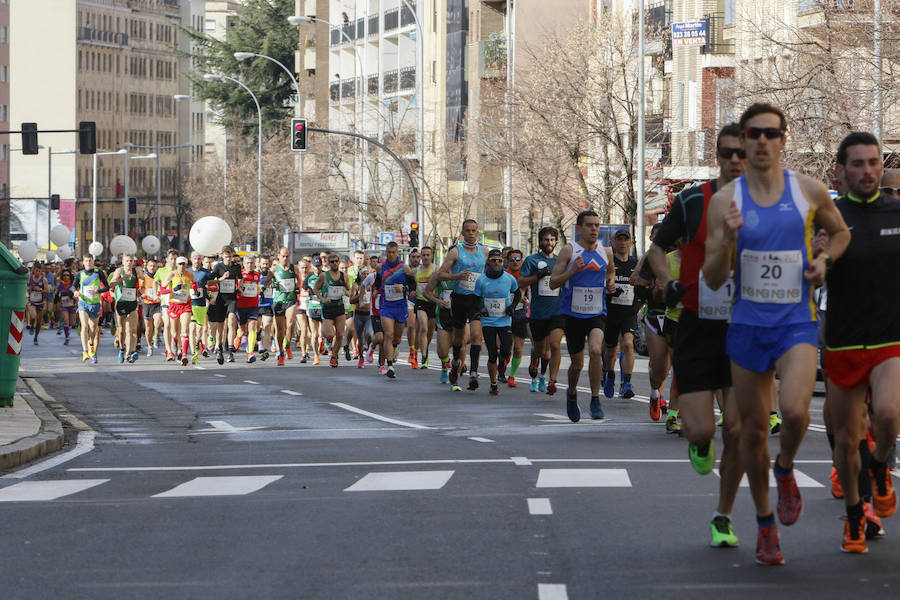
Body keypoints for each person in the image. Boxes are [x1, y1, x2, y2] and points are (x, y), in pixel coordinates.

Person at [703, 103, 851, 565]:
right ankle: (765, 523)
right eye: (754, 133)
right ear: (744, 142)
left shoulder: (808, 191)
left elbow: (841, 233)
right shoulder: (726, 202)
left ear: (783, 140)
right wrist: (727, 241)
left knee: (795, 411)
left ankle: (785, 465)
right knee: (749, 433)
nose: (762, 141)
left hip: (796, 322)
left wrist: (824, 261)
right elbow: (710, 278)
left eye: (771, 133)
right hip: (747, 326)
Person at [646, 122, 746, 547]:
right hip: (696, 321)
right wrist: (667, 278)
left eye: (742, 153)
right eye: (727, 153)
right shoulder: (691, 201)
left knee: (740, 431)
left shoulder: (770, 202)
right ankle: (699, 441)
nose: (735, 161)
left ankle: (723, 516)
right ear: (717, 156)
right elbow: (655, 247)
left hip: (746, 326)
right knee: (702, 430)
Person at [825, 132, 900, 553]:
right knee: (846, 440)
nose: (868, 170)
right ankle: (854, 516)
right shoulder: (829, 218)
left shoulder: (897, 212)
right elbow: (808, 268)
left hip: (891, 338)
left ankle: (879, 468)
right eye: (858, 163)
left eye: (873, 162)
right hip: (843, 342)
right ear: (842, 170)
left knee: (888, 415)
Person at [549, 210, 616, 421]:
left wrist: (610, 284)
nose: (594, 229)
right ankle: (571, 394)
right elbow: (553, 283)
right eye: (589, 225)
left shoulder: (607, 252)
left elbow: (610, 271)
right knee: (577, 363)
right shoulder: (570, 251)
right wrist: (572, 272)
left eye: (597, 225)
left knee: (596, 351)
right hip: (573, 314)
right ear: (579, 228)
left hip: (597, 312)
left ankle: (595, 399)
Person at [437, 219, 490, 391]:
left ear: (478, 232)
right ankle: (455, 363)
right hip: (459, 299)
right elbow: (441, 274)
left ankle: (473, 373)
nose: (471, 233)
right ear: (463, 232)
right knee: (459, 340)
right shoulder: (455, 252)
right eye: (467, 230)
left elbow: (490, 273)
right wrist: (456, 276)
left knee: (476, 337)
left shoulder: (484, 251)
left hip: (476, 300)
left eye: (474, 230)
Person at [519, 228, 564, 394]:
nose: (549, 243)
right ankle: (534, 361)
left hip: (557, 311)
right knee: (540, 350)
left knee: (554, 345)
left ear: (556, 241)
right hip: (538, 312)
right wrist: (537, 277)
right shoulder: (531, 260)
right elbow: (520, 282)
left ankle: (551, 380)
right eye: (546, 240)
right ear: (540, 241)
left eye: (552, 240)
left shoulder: (560, 261)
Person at [475, 249, 521, 395]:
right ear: (488, 261)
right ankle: (493, 383)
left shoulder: (509, 279)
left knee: (507, 350)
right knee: (492, 353)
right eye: (493, 260)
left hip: (504, 320)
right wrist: (481, 308)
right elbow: (475, 299)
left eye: (499, 261)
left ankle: (502, 365)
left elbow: (518, 292)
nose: (496, 263)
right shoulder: (481, 280)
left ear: (503, 262)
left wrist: (512, 307)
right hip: (488, 321)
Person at [602, 229, 639, 399]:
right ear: (613, 243)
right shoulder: (609, 263)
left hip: (628, 312)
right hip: (611, 312)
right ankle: (609, 374)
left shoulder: (635, 263)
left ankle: (627, 383)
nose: (623, 243)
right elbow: (601, 285)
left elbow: (641, 286)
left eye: (626, 240)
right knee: (611, 350)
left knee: (629, 344)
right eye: (619, 240)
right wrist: (608, 290)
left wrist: (638, 304)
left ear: (630, 243)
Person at [375, 242, 416, 378]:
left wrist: (403, 288)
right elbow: (377, 282)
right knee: (388, 334)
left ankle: (395, 347)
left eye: (393, 252)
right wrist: (375, 291)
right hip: (386, 306)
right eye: (388, 252)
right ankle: (390, 365)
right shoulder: (381, 267)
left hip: (400, 306)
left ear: (397, 253)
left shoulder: (404, 268)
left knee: (397, 338)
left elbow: (412, 287)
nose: (391, 255)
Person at [423, 259, 459, 384]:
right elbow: (426, 293)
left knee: (459, 344)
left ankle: (456, 368)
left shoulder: (464, 274)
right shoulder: (438, 275)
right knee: (442, 351)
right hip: (444, 314)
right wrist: (438, 302)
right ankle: (445, 366)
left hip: (460, 314)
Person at [314, 253, 349, 367]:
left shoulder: (344, 276)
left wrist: (349, 293)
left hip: (339, 306)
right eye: (332, 261)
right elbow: (315, 289)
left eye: (336, 261)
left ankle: (334, 356)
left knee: (340, 334)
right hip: (328, 308)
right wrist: (322, 299)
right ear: (329, 264)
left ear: (339, 262)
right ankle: (327, 343)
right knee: (329, 334)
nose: (335, 263)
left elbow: (348, 289)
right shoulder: (324, 276)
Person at [107, 254, 144, 364]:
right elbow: (111, 284)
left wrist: (142, 289)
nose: (129, 263)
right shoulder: (119, 271)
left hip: (132, 303)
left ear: (133, 262)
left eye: (131, 261)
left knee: (132, 329)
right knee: (122, 330)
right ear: (123, 262)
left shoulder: (136, 271)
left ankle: (130, 352)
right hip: (121, 303)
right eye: (127, 261)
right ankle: (122, 349)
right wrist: (122, 279)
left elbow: (144, 279)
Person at [74, 253, 109, 364]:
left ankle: (91, 345)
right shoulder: (80, 274)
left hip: (95, 304)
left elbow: (107, 287)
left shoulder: (99, 273)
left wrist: (97, 291)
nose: (88, 263)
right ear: (83, 262)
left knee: (94, 329)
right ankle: (85, 351)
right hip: (83, 303)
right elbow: (74, 286)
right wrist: (75, 291)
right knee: (84, 326)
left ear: (93, 261)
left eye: (90, 260)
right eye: (86, 261)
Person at [210, 246, 242, 364]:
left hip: (232, 299)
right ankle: (219, 348)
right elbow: (209, 281)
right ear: (222, 256)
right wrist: (221, 279)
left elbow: (240, 279)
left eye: (230, 256)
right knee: (220, 326)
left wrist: (240, 287)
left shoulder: (236, 267)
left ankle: (230, 350)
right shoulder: (218, 267)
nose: (228, 259)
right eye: (226, 257)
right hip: (221, 299)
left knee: (231, 322)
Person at [268, 247, 298, 367]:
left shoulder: (293, 268)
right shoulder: (274, 269)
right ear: (278, 256)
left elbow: (299, 281)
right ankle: (281, 352)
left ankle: (288, 344)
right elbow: (266, 281)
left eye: (287, 256)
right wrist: (269, 285)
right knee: (280, 330)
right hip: (279, 301)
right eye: (283, 256)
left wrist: (297, 286)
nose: (285, 258)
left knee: (290, 324)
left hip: (291, 299)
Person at [162, 256, 195, 366]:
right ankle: (175, 344)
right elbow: (162, 290)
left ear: (186, 265)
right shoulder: (172, 274)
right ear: (176, 264)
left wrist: (195, 288)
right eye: (180, 264)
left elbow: (195, 285)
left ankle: (184, 354)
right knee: (175, 333)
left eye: (183, 264)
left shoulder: (190, 274)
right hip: (174, 305)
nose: (181, 266)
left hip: (186, 304)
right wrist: (173, 289)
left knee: (185, 330)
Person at [504, 249, 528, 387]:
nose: (515, 262)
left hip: (520, 313)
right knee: (505, 347)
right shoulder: (503, 275)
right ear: (507, 261)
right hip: (504, 313)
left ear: (521, 261)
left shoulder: (526, 275)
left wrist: (527, 300)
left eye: (518, 259)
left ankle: (511, 376)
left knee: (518, 349)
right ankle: (505, 358)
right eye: (512, 259)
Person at [235, 253, 262, 363]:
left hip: (253, 305)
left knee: (252, 326)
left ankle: (250, 352)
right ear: (243, 264)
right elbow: (236, 286)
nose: (250, 265)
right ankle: (238, 336)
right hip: (241, 305)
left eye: (251, 263)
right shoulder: (240, 275)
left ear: (254, 264)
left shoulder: (257, 275)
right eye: (247, 263)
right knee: (242, 329)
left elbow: (259, 286)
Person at [414, 246, 437, 369]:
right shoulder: (416, 271)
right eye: (423, 255)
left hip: (432, 303)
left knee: (430, 331)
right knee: (423, 327)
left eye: (428, 255)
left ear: (432, 256)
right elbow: (408, 281)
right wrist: (410, 290)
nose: (426, 257)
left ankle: (425, 348)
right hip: (421, 302)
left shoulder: (436, 269)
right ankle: (423, 355)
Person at [188, 253, 212, 364]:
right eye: (194, 259)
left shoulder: (206, 272)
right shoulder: (187, 271)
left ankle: (198, 345)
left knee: (199, 330)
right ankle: (194, 353)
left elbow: (209, 285)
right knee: (192, 328)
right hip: (189, 304)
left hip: (201, 304)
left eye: (198, 259)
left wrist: (210, 296)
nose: (197, 261)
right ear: (191, 260)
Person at [140, 258, 163, 357]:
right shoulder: (143, 278)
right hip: (147, 304)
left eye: (154, 266)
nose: (152, 268)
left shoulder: (160, 277)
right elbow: (139, 290)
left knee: (158, 322)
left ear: (157, 267)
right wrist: (142, 295)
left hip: (157, 303)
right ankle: (150, 346)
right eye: (150, 266)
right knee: (148, 328)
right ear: (147, 267)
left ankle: (156, 336)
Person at [304, 256, 324, 365]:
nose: (317, 268)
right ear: (312, 266)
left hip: (323, 307)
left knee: (323, 332)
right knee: (314, 334)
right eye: (315, 266)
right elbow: (302, 291)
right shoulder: (309, 277)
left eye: (319, 266)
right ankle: (316, 356)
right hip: (312, 307)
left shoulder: (326, 275)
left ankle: (322, 342)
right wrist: (308, 295)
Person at [405, 248, 421, 367]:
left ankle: (415, 353)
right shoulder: (406, 270)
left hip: (421, 301)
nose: (416, 259)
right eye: (413, 257)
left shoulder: (424, 270)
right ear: (409, 257)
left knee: (421, 329)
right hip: (409, 300)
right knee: (411, 325)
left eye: (417, 257)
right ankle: (411, 350)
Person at [26, 263, 49, 345]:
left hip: (40, 302)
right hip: (32, 301)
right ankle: (32, 325)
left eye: (39, 271)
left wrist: (40, 290)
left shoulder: (44, 280)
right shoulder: (29, 278)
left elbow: (47, 291)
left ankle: (36, 337)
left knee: (39, 322)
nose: (38, 272)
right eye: (36, 271)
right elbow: (25, 286)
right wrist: (28, 289)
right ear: (33, 270)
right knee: (33, 316)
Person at [55, 269, 77, 345]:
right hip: (64, 306)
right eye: (64, 275)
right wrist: (58, 300)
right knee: (66, 321)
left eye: (67, 275)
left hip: (72, 306)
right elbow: (57, 295)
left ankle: (69, 329)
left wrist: (73, 299)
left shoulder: (73, 285)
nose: (66, 277)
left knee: (72, 323)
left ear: (70, 276)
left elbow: (77, 296)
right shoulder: (60, 285)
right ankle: (67, 337)